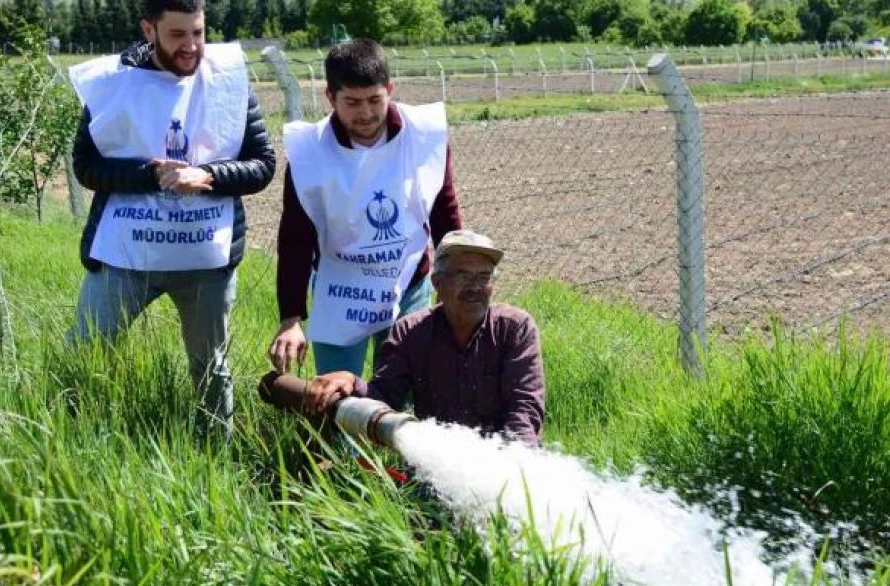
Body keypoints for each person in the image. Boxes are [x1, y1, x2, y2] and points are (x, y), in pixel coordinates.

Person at [66, 0, 276, 435]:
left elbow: (262, 165)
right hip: (124, 257)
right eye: (178, 35)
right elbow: (86, 166)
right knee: (84, 352)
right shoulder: (113, 85)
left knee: (210, 369)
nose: (191, 46)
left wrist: (212, 175)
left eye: (198, 33)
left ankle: (217, 451)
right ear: (149, 29)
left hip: (204, 263)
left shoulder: (228, 82)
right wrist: (148, 174)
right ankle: (74, 437)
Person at [268, 38, 462, 378]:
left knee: (404, 392)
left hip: (408, 284)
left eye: (375, 99)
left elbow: (444, 211)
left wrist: (456, 282)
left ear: (390, 88)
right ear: (330, 97)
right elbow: (296, 239)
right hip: (340, 291)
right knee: (336, 400)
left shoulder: (424, 136)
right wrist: (291, 319)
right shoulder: (309, 154)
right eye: (352, 102)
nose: (367, 113)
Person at [261, 230, 545, 446]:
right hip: (438, 461)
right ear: (437, 283)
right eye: (463, 276)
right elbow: (385, 398)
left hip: (508, 458)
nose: (476, 287)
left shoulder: (515, 329)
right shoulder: (411, 332)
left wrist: (511, 472)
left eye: (484, 277)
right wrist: (351, 382)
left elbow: (525, 412)